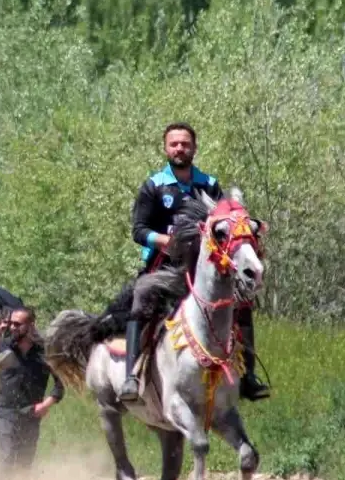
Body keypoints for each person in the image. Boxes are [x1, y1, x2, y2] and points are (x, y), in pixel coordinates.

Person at [116, 122, 270, 403]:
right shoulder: (154, 186)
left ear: (194, 148)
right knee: (141, 295)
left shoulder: (209, 184)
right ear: (165, 148)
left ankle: (248, 377)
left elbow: (225, 219)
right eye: (174, 144)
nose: (179, 148)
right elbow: (138, 230)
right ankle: (132, 376)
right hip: (164, 265)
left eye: (185, 144)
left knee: (243, 304)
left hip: (204, 266)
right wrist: (164, 241)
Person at [0, 306, 64, 470]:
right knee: (7, 458)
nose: (12, 327)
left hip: (31, 413)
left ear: (31, 325)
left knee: (25, 463)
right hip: (5, 412)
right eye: (11, 324)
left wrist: (46, 404)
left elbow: (60, 383)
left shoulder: (45, 352)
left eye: (17, 324)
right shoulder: (3, 346)